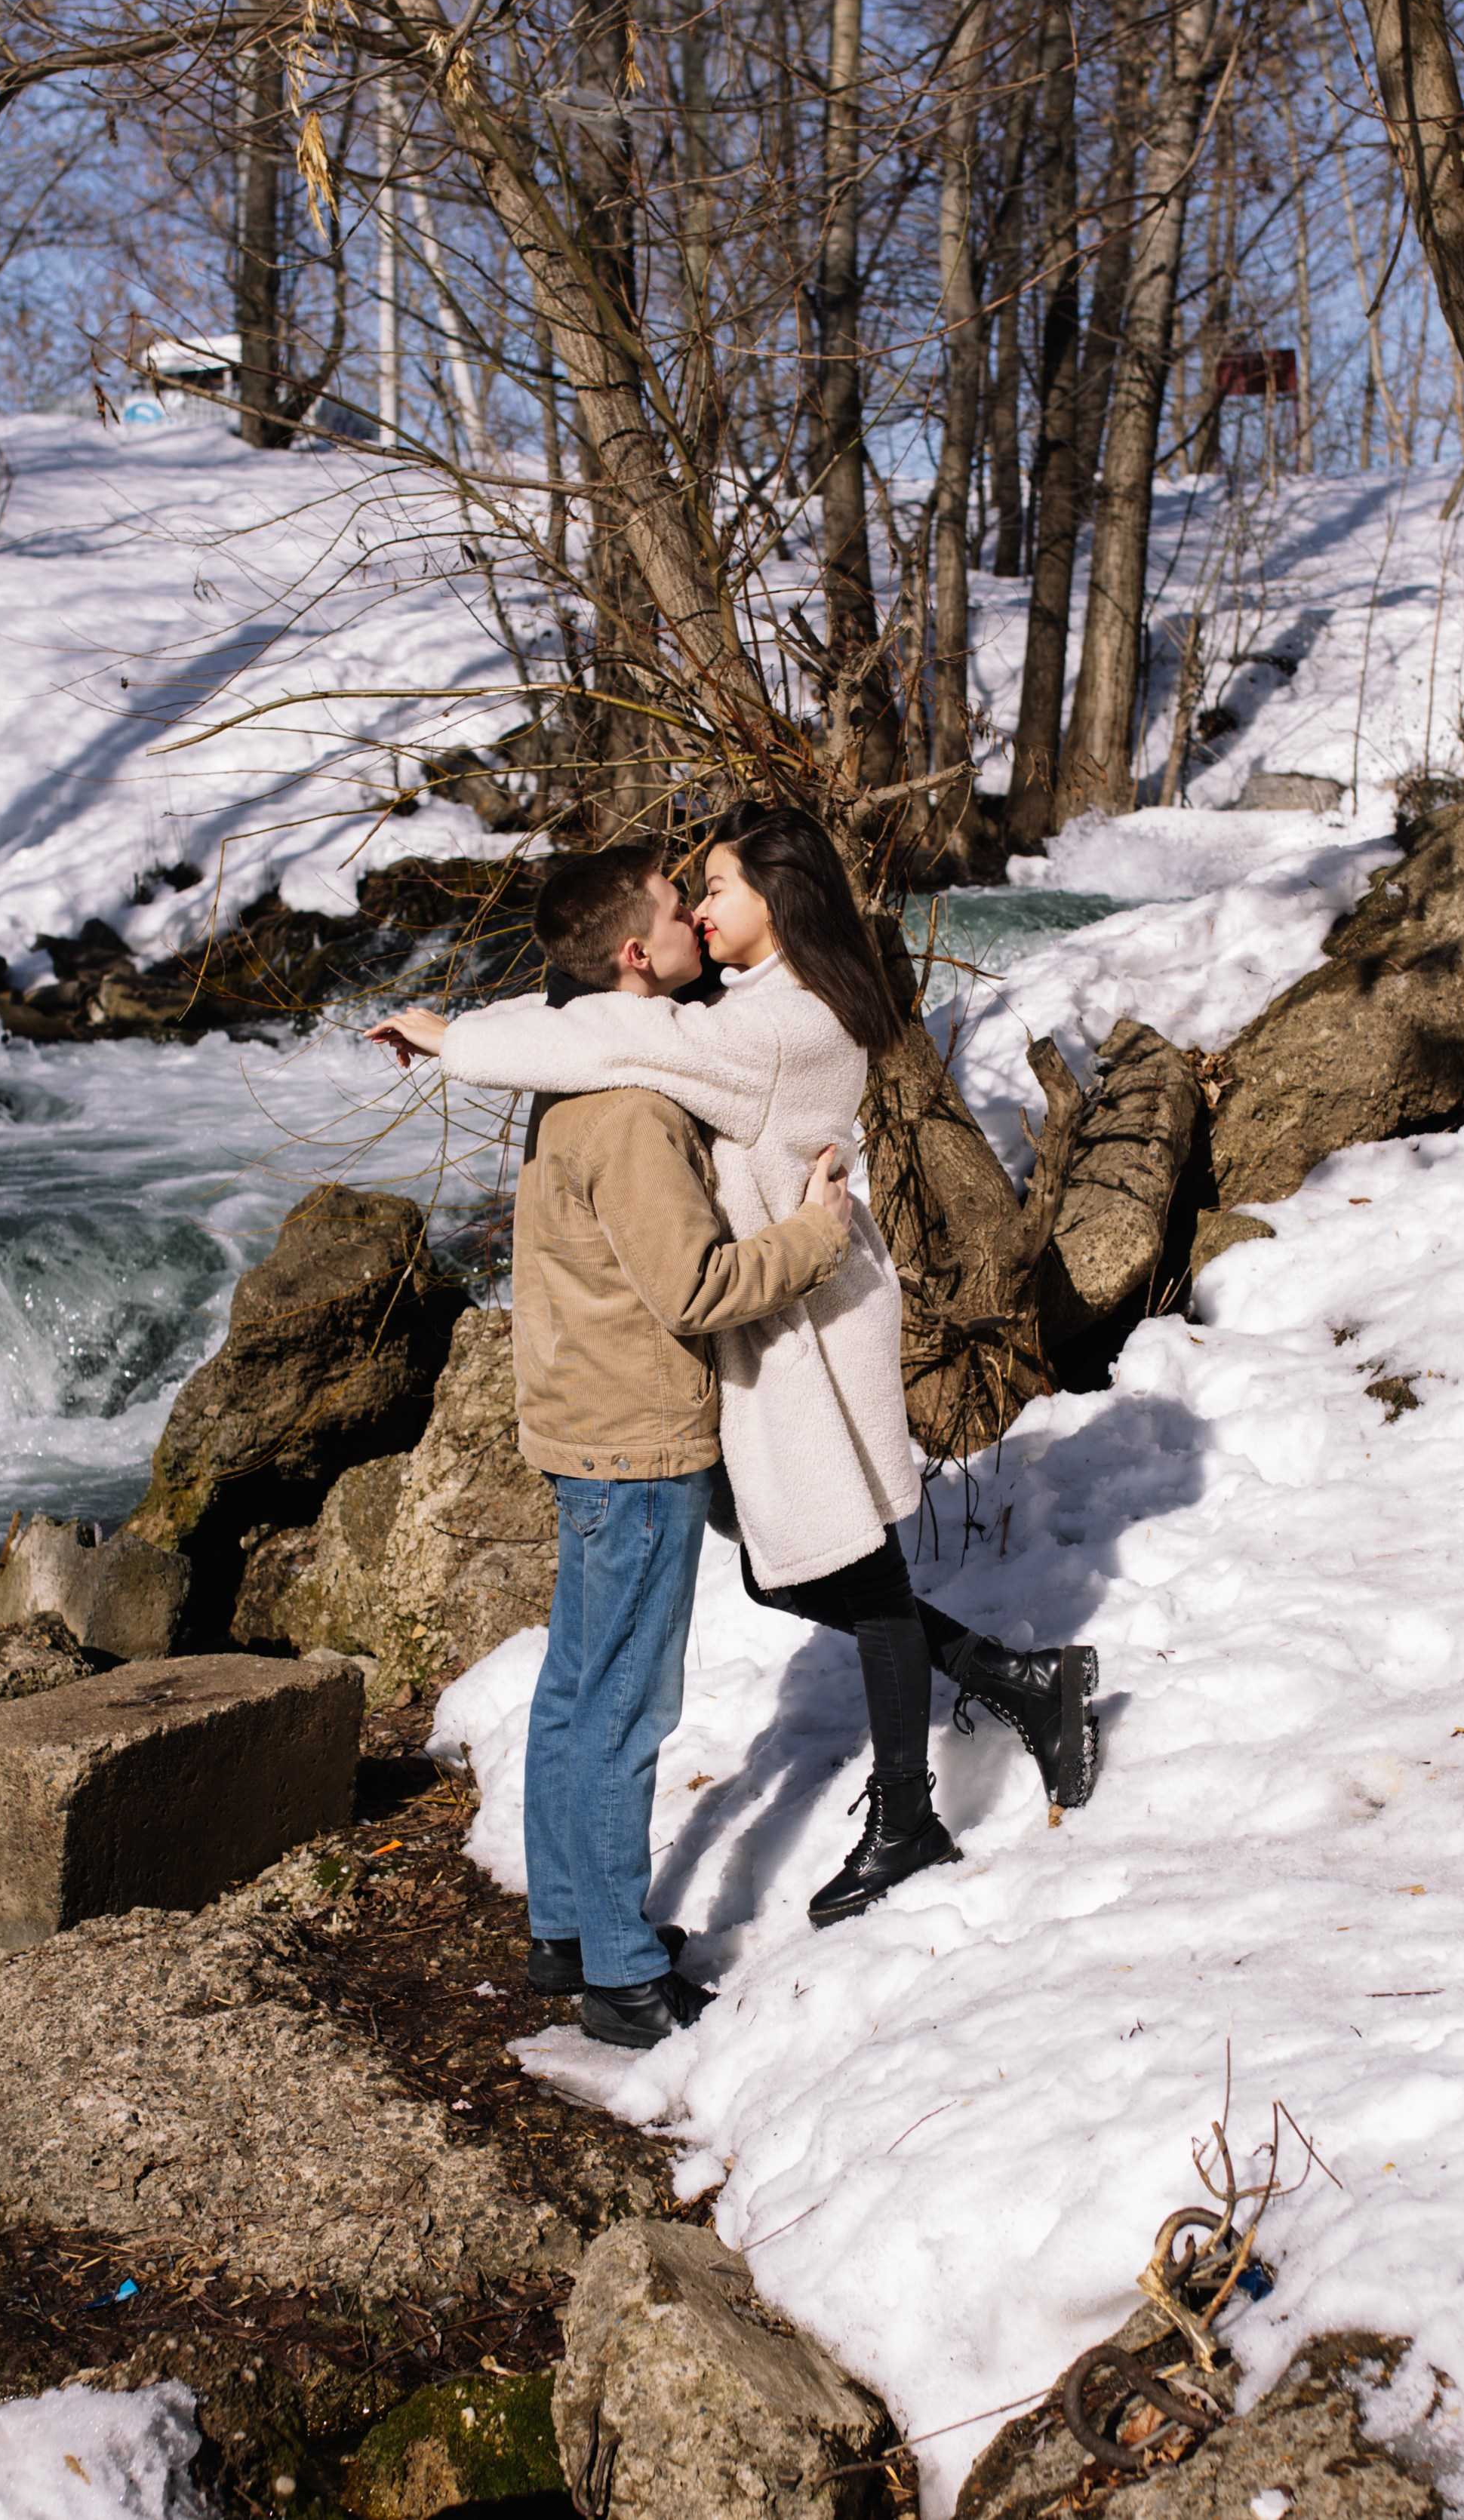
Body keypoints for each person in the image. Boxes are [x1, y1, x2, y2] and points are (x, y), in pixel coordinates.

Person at [373, 804, 1100, 1932]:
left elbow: (610, 1036)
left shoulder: (778, 1028)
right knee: (796, 1567)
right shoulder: (749, 1001)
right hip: (770, 1314)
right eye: (692, 893)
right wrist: (458, 1024)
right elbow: (599, 1013)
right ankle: (1022, 1686)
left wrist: (451, 1039)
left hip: (800, 1326)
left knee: (841, 1567)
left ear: (780, 894)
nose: (700, 908)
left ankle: (909, 1816)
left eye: (715, 886)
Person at [377, 844, 856, 2047]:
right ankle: (623, 1974)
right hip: (633, 1443)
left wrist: (444, 1030)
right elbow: (696, 1288)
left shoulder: (578, 1066)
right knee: (623, 1709)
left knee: (574, 1688)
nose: (697, 914)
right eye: (672, 909)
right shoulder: (636, 1106)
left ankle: (565, 1931)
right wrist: (815, 1234)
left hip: (576, 1419)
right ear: (638, 956)